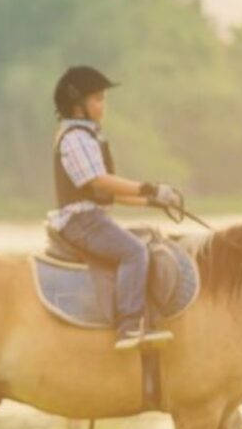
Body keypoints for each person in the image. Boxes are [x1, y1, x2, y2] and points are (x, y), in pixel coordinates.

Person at [49, 66, 180, 350]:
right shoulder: (76, 138)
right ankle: (129, 326)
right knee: (134, 251)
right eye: (97, 99)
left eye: (102, 99)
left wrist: (152, 202)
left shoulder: (89, 137)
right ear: (78, 106)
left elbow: (108, 193)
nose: (103, 105)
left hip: (91, 216)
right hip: (82, 220)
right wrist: (150, 188)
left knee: (151, 238)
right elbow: (99, 180)